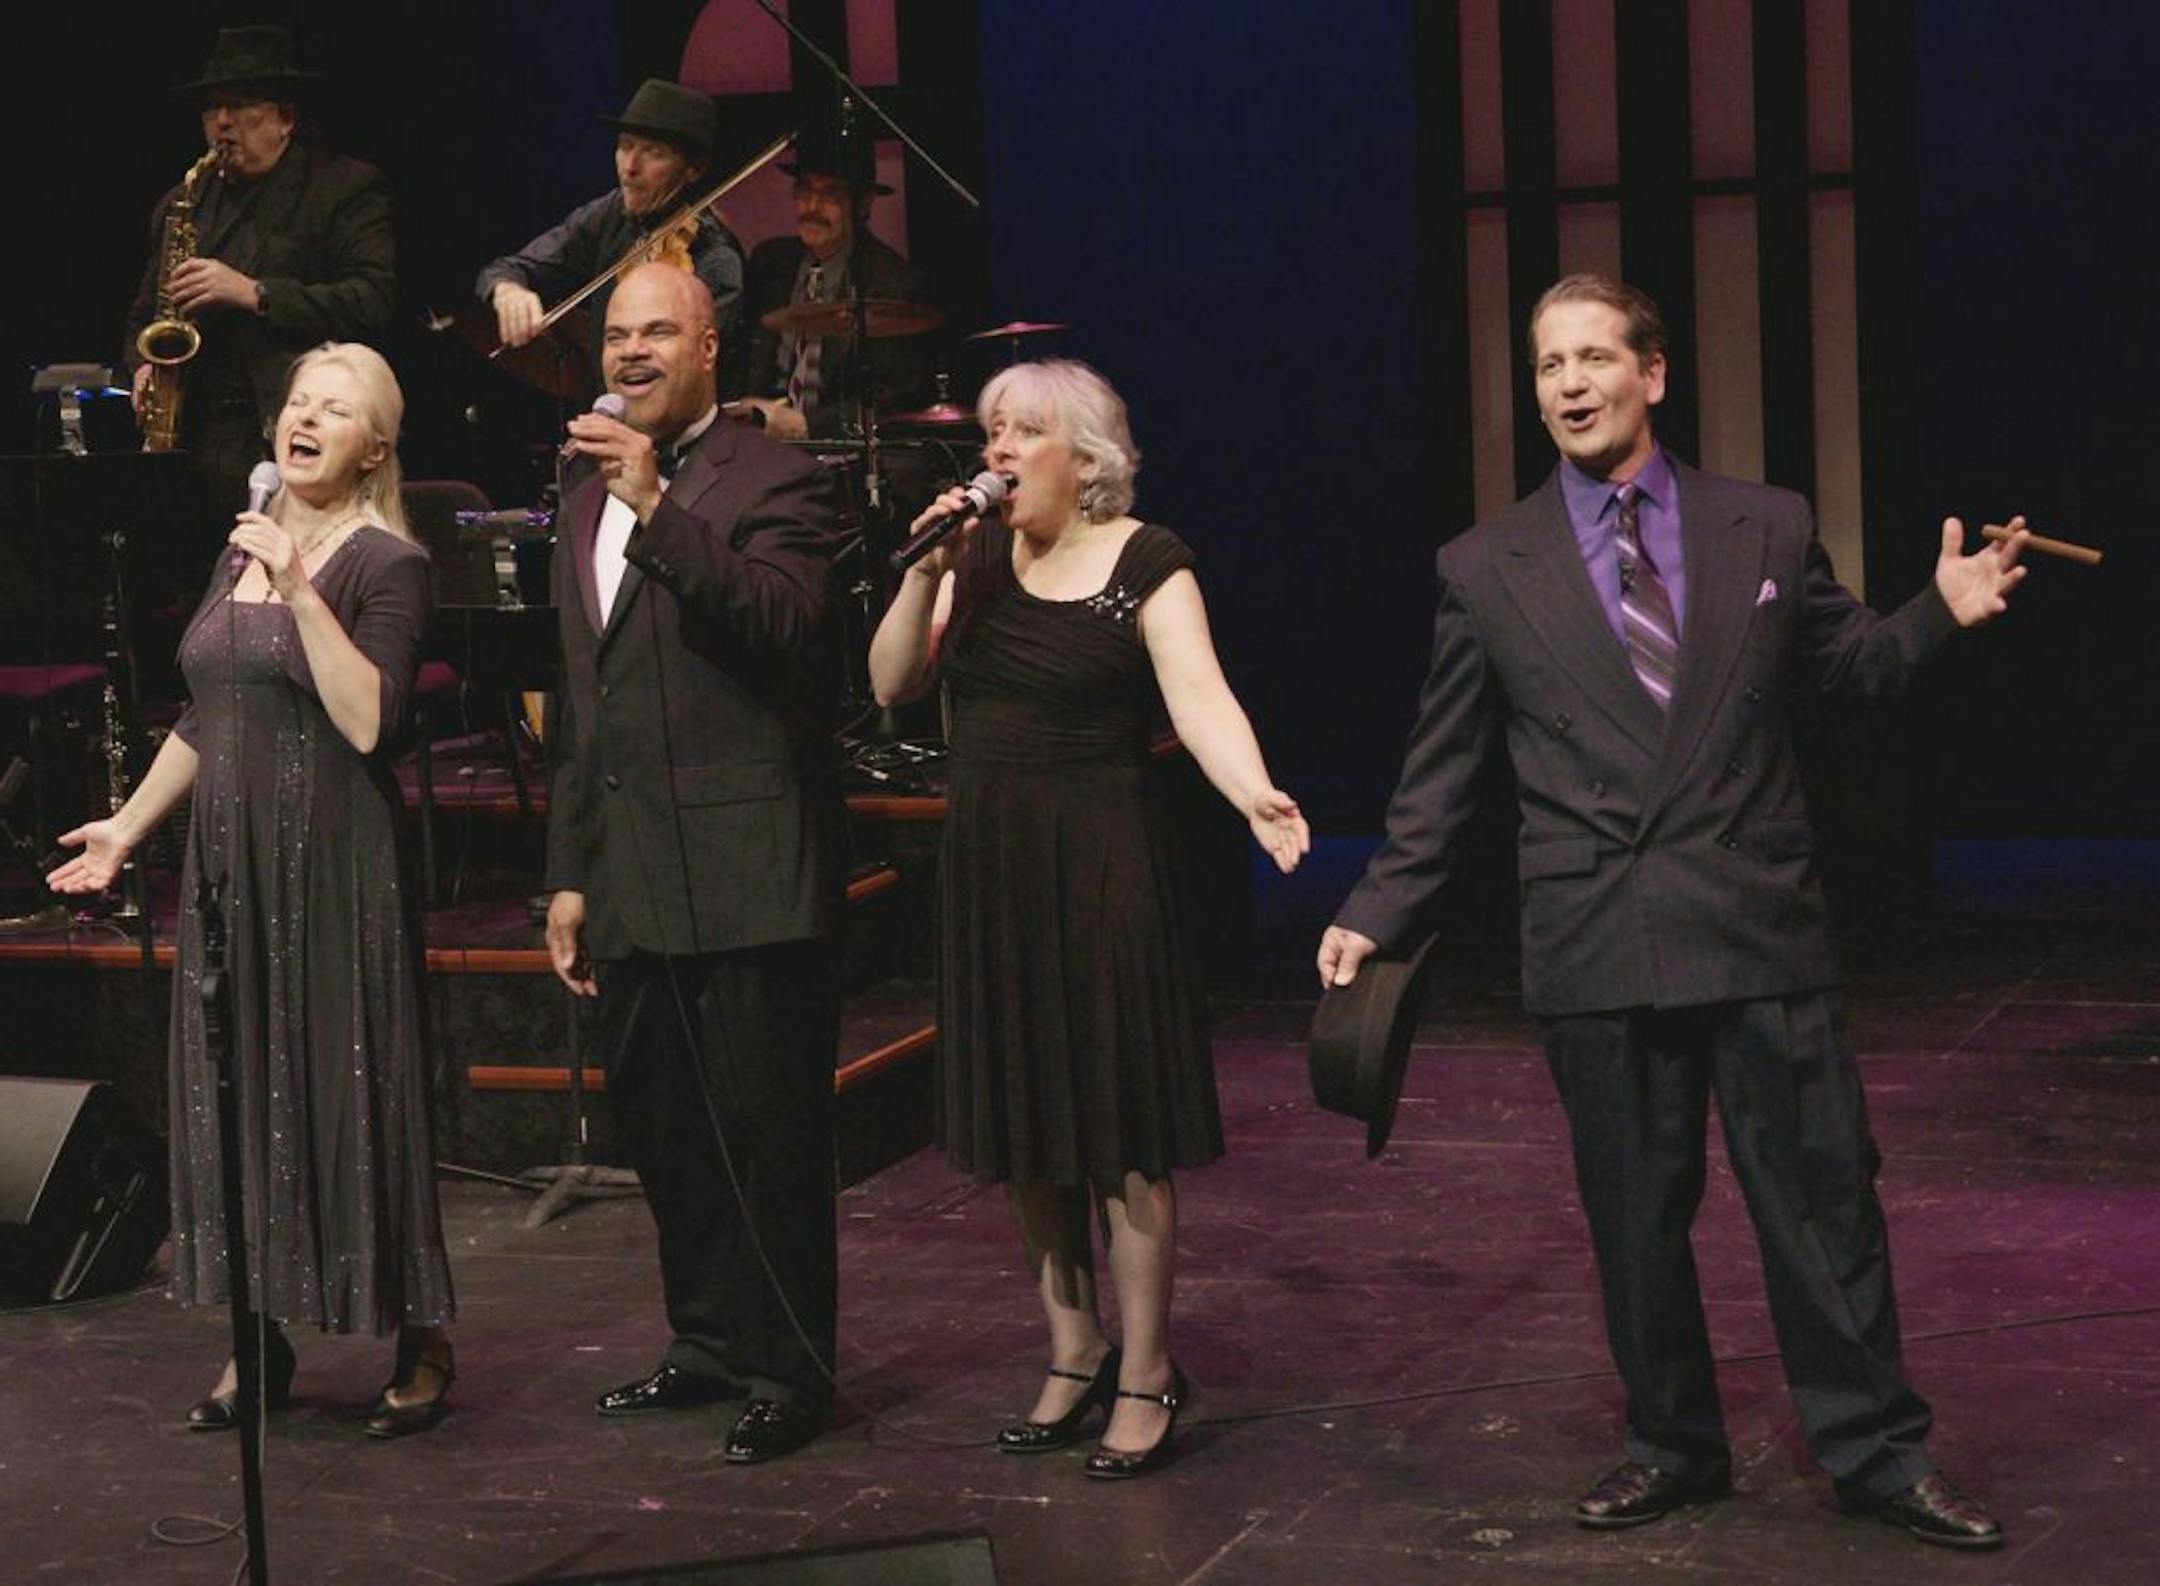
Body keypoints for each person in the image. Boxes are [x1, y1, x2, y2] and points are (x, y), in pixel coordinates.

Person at [1318, 274, 2027, 1549]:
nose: (1572, 383)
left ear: (1656, 373)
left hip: (1758, 922)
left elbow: (1849, 669)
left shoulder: (1763, 524)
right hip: (1601, 937)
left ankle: (1875, 1452)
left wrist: (1940, 615)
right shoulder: (1486, 569)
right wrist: (1378, 908)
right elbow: (1442, 774)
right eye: (1548, 365)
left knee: (1823, 1209)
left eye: (1596, 356)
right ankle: (1673, 1443)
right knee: (1635, 1222)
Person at [868, 359, 1309, 1478]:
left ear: (1087, 454)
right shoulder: (971, 552)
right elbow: (890, 684)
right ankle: (1073, 1349)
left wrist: (1253, 788)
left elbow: (1198, 693)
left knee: (1120, 1129)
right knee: (1023, 1113)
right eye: (991, 431)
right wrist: (921, 571)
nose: (997, 450)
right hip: (993, 865)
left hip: (1102, 868)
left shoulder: (1146, 560)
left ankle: (1150, 1365)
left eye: (1023, 431)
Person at [49, 343, 454, 1439]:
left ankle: (418, 1337)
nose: (304, 420)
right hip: (231, 870)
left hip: (333, 862)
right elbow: (208, 711)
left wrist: (299, 587)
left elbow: (369, 717)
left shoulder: (386, 563)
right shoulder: (247, 551)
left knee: (347, 1081)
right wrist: (129, 827)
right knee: (238, 1092)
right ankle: (259, 1337)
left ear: (375, 443)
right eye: (296, 403)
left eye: (335, 409)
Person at [543, 261, 848, 1465]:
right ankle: (710, 1340)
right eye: (615, 335)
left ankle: (792, 1365)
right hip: (629, 869)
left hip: (748, 859)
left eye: (655, 332)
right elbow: (584, 700)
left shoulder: (778, 473)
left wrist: (659, 504)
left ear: (709, 346)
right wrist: (569, 868)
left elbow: (784, 623)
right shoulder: (579, 490)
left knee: (766, 1132)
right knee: (665, 1128)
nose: (628, 353)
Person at [123, 25, 396, 521]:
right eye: (212, 108)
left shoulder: (344, 188)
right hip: (192, 438)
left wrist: (255, 293)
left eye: (240, 105)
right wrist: (142, 369)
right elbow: (144, 316)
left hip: (286, 438)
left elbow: (372, 300)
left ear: (285, 118)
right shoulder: (184, 202)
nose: (222, 122)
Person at [478, 79, 744, 371]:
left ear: (695, 169)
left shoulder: (717, 257)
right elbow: (508, 268)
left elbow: (687, 373)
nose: (630, 168)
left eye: (653, 152)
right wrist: (509, 291)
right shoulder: (610, 214)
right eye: (625, 146)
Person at [725, 129, 931, 440]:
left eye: (830, 195)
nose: (812, 207)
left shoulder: (892, 280)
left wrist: (807, 425)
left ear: (863, 204)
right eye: (805, 192)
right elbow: (739, 353)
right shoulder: (769, 262)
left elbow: (895, 397)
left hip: (837, 446)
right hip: (759, 441)